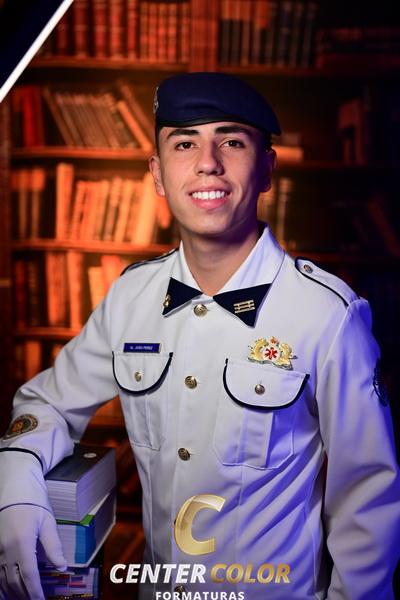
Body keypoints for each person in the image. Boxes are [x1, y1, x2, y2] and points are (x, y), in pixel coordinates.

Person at [0, 71, 399, 600]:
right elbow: (46, 403)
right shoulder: (132, 297)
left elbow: (366, 502)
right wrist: (16, 483)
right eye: (184, 143)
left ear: (267, 169)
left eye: (231, 142)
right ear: (158, 175)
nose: (207, 162)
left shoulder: (328, 314)